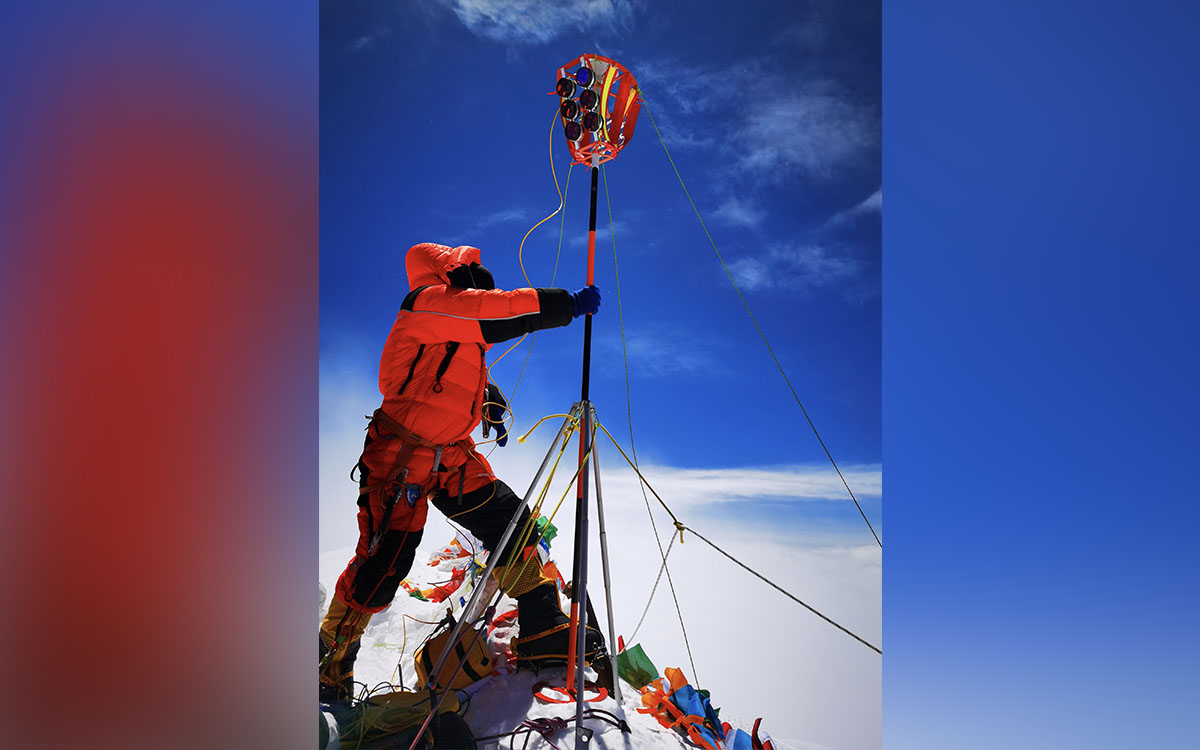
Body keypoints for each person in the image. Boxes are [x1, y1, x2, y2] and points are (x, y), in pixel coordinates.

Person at [319, 242, 604, 702]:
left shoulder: (455, 322)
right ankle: (329, 663)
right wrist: (564, 304)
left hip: (451, 453)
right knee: (383, 562)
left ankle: (541, 627)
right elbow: (488, 315)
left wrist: (486, 400)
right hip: (400, 455)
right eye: (471, 275)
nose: (479, 284)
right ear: (450, 273)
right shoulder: (425, 303)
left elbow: (454, 365)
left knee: (512, 522)